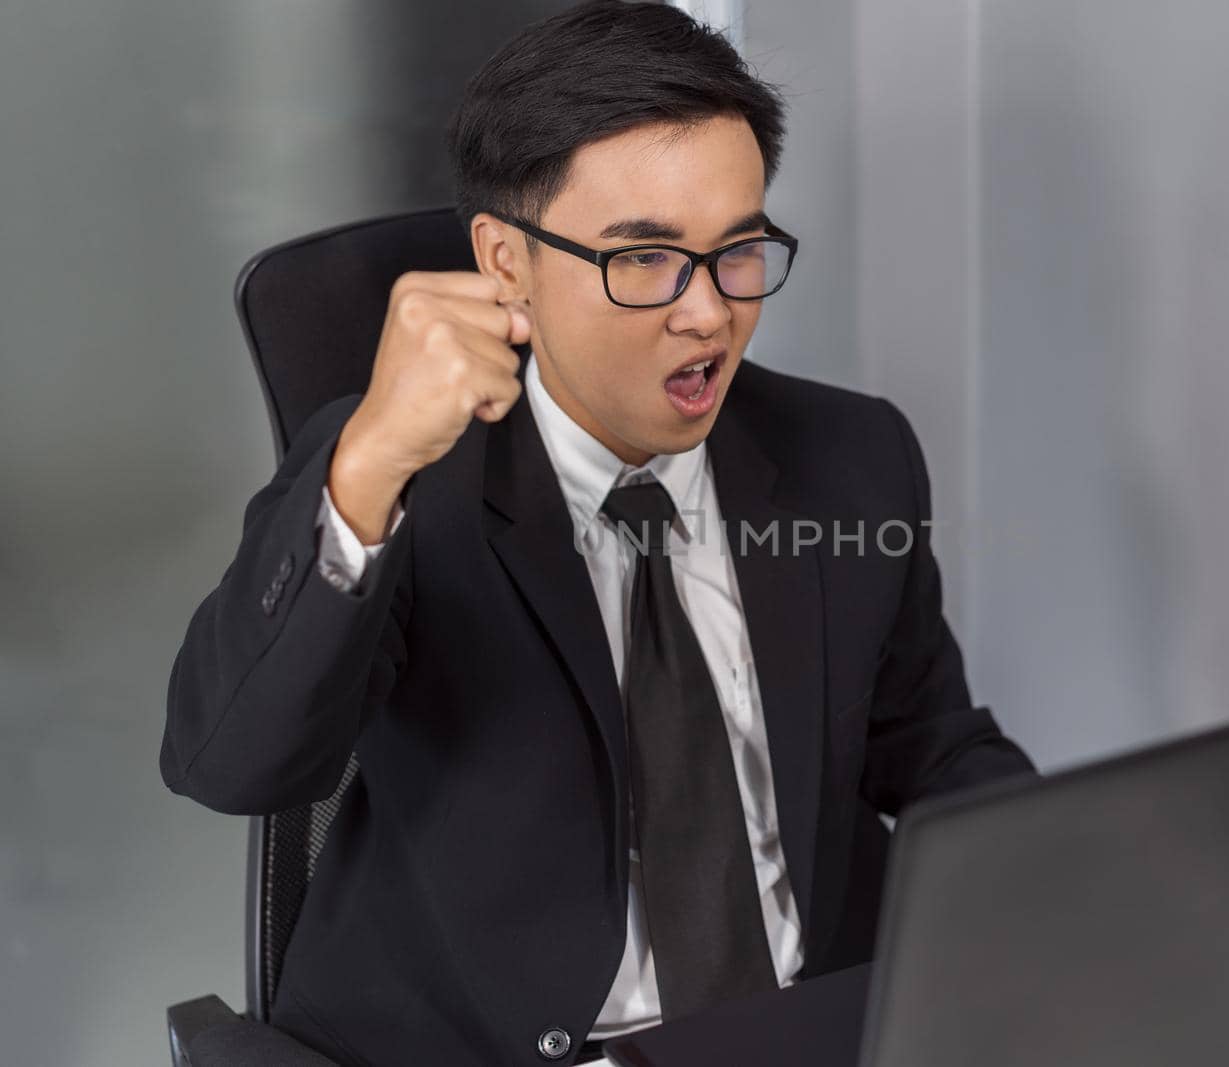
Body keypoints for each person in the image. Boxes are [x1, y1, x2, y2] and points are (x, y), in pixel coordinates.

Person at [160, 2, 1036, 1063]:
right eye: (646, 260)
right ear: (507, 262)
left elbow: (927, 743)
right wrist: (368, 467)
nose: (707, 313)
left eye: (738, 250)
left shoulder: (849, 456)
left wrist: (1073, 885)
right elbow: (230, 762)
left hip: (802, 1029)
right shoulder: (401, 477)